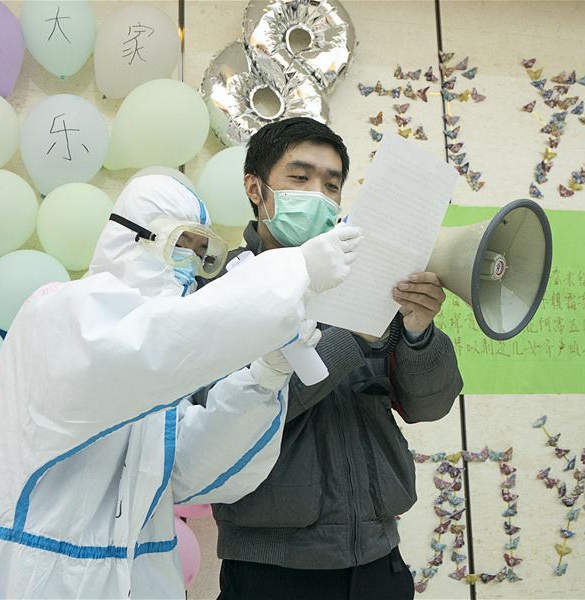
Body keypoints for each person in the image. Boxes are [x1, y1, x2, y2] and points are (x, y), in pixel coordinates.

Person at [0, 174, 363, 598]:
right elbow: (155, 346)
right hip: (35, 581)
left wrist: (263, 379)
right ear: (135, 236)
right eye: (184, 244)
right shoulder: (61, 313)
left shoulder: (156, 366)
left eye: (204, 253)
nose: (192, 263)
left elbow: (190, 470)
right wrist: (296, 270)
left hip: (141, 579)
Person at [196, 118, 463, 600]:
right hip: (273, 572)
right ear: (255, 188)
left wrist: (419, 331)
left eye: (332, 184)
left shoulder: (361, 281)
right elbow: (226, 414)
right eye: (300, 178)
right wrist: (352, 334)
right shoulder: (221, 292)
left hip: (380, 560)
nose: (319, 195)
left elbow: (430, 405)